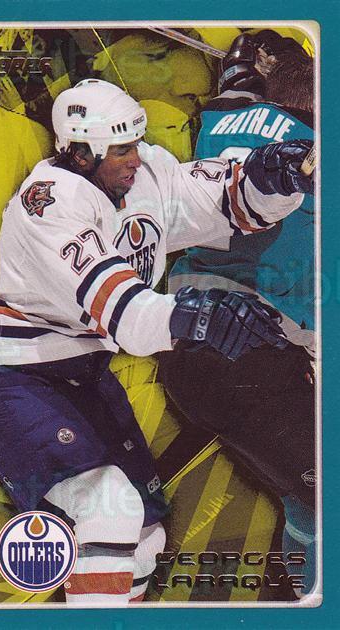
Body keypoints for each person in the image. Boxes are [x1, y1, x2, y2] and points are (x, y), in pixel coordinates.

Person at [0, 78, 313, 604]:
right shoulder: (49, 206)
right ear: (80, 153)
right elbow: (122, 312)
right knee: (108, 508)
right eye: (121, 149)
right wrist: (202, 316)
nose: (135, 158)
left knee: (145, 540)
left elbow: (221, 198)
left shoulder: (142, 173)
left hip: (85, 377)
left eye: (136, 142)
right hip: (16, 379)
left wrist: (272, 172)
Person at [165, 32, 317, 595]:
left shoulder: (219, 122)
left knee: (310, 500)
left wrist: (245, 67)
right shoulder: (310, 149)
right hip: (246, 354)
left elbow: (241, 90)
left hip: (200, 345)